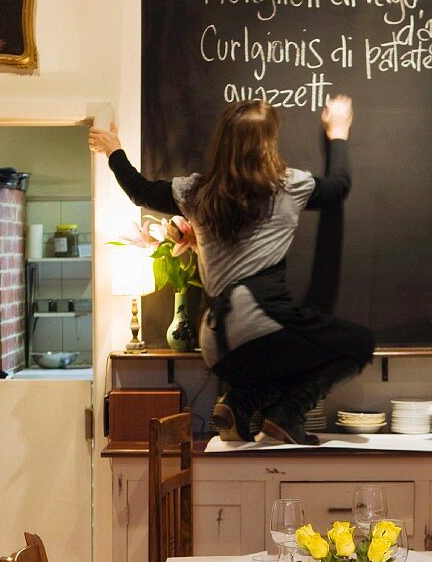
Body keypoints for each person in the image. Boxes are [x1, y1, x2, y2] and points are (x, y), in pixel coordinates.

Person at [89, 96, 374, 445]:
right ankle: (285, 414)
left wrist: (114, 150)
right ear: (268, 143)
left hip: (216, 343)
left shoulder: (195, 190)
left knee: (283, 357)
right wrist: (338, 131)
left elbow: (140, 191)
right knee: (357, 344)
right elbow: (339, 185)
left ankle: (241, 404)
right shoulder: (288, 186)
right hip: (261, 328)